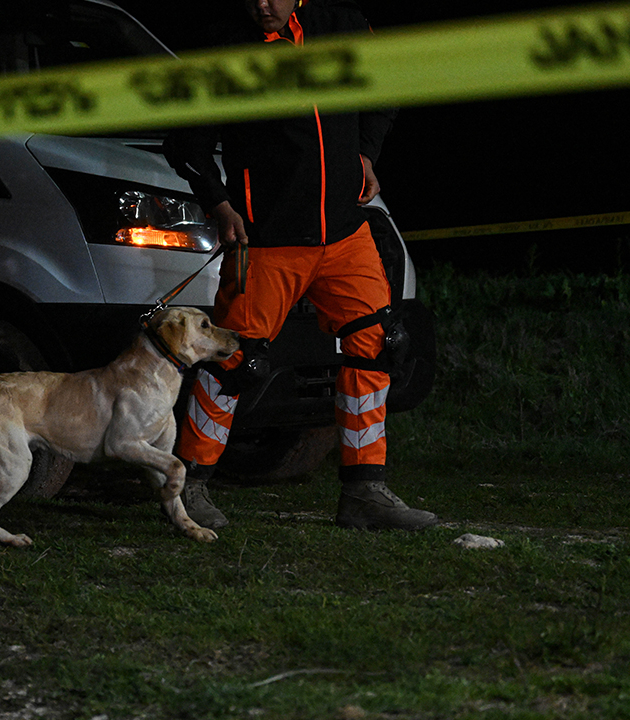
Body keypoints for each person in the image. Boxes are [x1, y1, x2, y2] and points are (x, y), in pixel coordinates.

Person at [163, 0, 437, 532]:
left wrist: (366, 151)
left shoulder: (342, 24)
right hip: (267, 239)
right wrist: (219, 203)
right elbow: (185, 142)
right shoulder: (222, 43)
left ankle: (364, 491)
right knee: (232, 361)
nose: (260, 5)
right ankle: (186, 486)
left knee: (377, 345)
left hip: (344, 231)